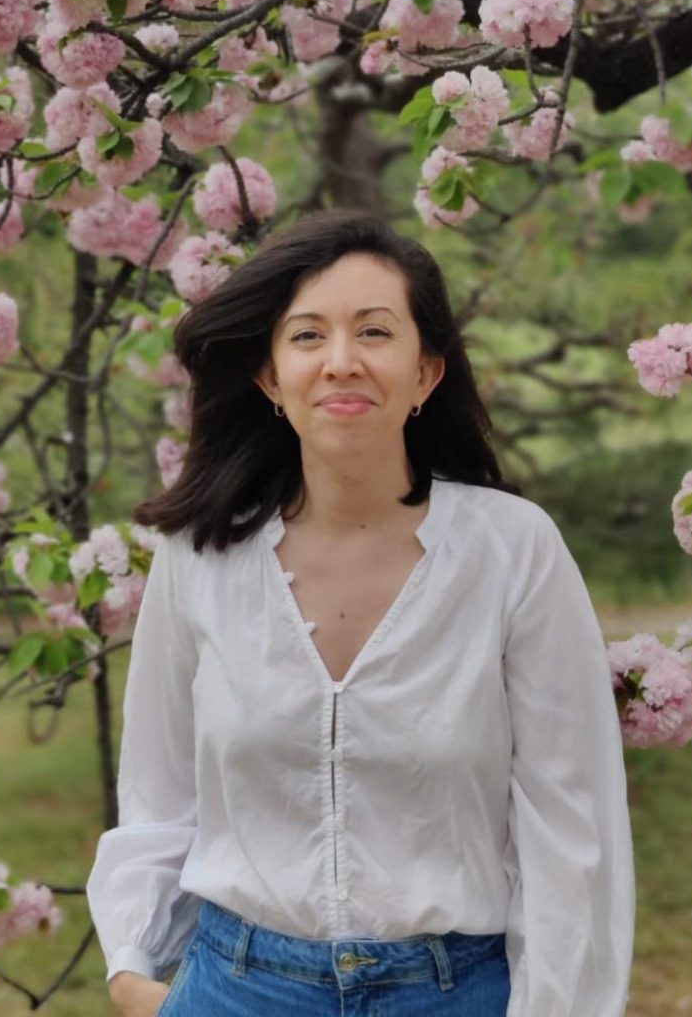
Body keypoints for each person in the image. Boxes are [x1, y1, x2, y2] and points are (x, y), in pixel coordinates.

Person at [86, 209, 635, 1017]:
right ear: (270, 377)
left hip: (456, 994)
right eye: (307, 336)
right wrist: (135, 975)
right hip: (234, 987)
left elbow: (571, 825)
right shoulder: (197, 557)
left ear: (426, 372)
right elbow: (159, 795)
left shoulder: (512, 551)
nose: (340, 363)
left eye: (374, 333)